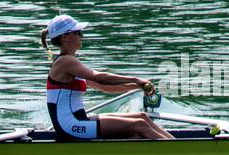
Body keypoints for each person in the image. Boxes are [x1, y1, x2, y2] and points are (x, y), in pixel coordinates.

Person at [42, 14, 173, 142]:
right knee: (139, 125)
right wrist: (135, 79)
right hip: (70, 127)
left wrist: (139, 87)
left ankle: (178, 144)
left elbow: (105, 87)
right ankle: (178, 152)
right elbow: (99, 77)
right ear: (65, 37)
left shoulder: (71, 64)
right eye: (78, 32)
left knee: (143, 117)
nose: (82, 36)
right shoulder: (65, 62)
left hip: (78, 120)